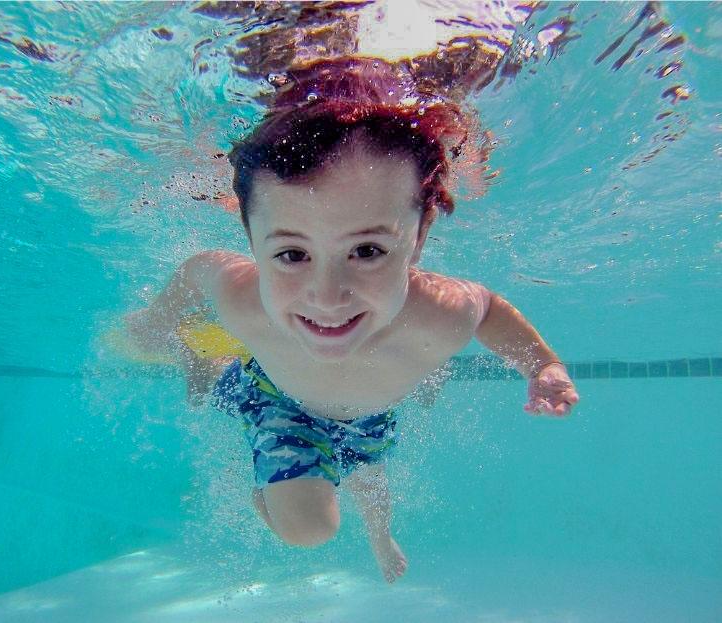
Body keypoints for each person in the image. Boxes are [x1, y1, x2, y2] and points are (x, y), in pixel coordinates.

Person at [121, 57, 579, 584]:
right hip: (276, 403)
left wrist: (543, 366)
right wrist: (160, 317)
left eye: (366, 250)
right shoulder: (244, 299)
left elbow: (491, 310)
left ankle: (381, 539)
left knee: (369, 475)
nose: (328, 297)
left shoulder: (440, 311)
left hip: (369, 414)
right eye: (292, 255)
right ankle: (205, 368)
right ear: (251, 241)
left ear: (420, 234)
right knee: (308, 528)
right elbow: (200, 269)